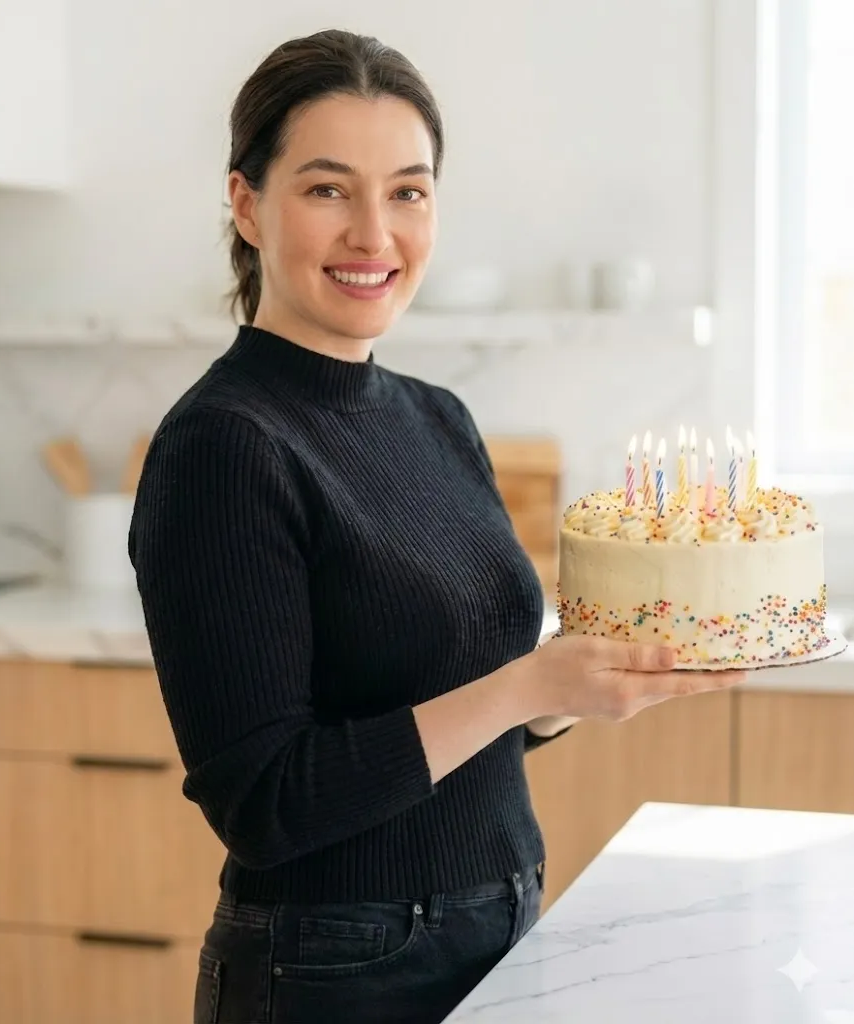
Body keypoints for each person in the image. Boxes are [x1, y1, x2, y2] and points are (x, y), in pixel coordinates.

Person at [128, 28, 745, 1024]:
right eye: (327, 189)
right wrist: (520, 686)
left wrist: (567, 693)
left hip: (500, 920)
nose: (374, 234)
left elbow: (461, 703)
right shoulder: (224, 446)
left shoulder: (436, 417)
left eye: (406, 191)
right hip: (332, 963)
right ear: (246, 203)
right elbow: (267, 802)